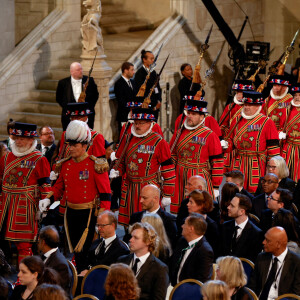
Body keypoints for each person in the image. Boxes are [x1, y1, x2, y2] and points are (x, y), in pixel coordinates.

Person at [46, 120, 111, 272]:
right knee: (75, 251)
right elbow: (59, 188)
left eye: (74, 145)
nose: (70, 148)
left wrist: (103, 217)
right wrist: (47, 200)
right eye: (69, 145)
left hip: (88, 216)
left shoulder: (95, 164)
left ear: (84, 146)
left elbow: (106, 194)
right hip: (70, 214)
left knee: (86, 252)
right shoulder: (66, 164)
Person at [110, 107, 175, 226]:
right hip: (130, 188)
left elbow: (168, 170)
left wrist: (167, 194)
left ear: (150, 123)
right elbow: (122, 160)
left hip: (149, 188)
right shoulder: (128, 138)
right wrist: (118, 171)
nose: (137, 126)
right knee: (130, 224)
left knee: (150, 224)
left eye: (141, 123)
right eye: (136, 123)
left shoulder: (159, 142)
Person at [0, 122, 51, 264]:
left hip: (25, 205)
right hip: (5, 205)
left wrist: (44, 204)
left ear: (31, 140)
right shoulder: (7, 157)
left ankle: (24, 277)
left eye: (22, 138)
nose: (18, 141)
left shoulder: (39, 159)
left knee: (24, 244)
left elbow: (45, 184)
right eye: (16, 138)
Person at [169, 97, 223, 213]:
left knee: (200, 209)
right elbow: (172, 155)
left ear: (202, 116)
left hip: (199, 176)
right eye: (188, 113)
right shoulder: (179, 132)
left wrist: (216, 186)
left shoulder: (210, 135)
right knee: (180, 211)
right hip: (180, 177)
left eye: (193, 114)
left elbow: (217, 162)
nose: (189, 116)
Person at [224, 91, 280, 194]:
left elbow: (274, 150)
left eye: (250, 105)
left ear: (258, 106)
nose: (246, 107)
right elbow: (231, 142)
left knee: (254, 192)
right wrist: (225, 146)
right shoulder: (236, 119)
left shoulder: (267, 122)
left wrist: (273, 170)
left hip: (257, 164)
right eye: (245, 104)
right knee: (234, 191)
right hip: (238, 162)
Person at [118, 222, 169, 300]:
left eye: (136, 238)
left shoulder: (160, 268)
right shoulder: (121, 261)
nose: (130, 240)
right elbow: (110, 292)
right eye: (131, 237)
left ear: (148, 242)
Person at [248, 227, 300, 298]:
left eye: (267, 240)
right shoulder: (261, 257)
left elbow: (295, 295)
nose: (263, 242)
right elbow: (252, 286)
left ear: (278, 244)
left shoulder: (296, 262)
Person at [123, 184, 177, 249]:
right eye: (141, 197)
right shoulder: (135, 216)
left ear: (155, 199)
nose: (141, 201)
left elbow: (170, 246)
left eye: (144, 198)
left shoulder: (169, 220)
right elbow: (127, 239)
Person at [169, 213, 214, 286]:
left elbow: (202, 281)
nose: (182, 226)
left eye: (184, 224)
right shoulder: (182, 241)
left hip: (189, 292)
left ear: (191, 229)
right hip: (173, 286)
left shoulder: (205, 251)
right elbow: (172, 265)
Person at [221, 193, 264, 263]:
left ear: (242, 211)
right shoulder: (225, 226)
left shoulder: (256, 233)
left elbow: (251, 262)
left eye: (232, 206)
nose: (228, 207)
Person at [56, 62, 99, 130]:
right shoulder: (63, 83)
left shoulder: (89, 80)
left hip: (86, 116)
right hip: (68, 117)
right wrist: (69, 109)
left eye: (81, 69)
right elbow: (59, 98)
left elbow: (95, 96)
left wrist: (87, 108)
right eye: (78, 70)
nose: (81, 71)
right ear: (72, 72)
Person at [184, 190, 220, 258]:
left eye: (191, 202)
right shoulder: (185, 221)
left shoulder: (212, 227)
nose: (187, 204)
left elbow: (212, 251)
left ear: (201, 206)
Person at [37, 226, 72, 293]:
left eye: (39, 240)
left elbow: (59, 291)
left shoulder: (61, 265)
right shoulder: (41, 256)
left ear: (43, 242)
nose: (38, 243)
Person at [134, 50, 162, 119]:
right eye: (151, 58)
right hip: (146, 106)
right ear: (144, 59)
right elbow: (140, 91)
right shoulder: (139, 73)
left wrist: (159, 100)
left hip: (155, 104)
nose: (153, 60)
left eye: (153, 58)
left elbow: (157, 87)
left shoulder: (153, 72)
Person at [281, 83, 300, 182]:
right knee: (284, 171)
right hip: (288, 145)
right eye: (295, 95)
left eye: (299, 95)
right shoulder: (288, 109)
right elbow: (282, 125)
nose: (297, 97)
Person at [114, 62, 136, 133]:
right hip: (124, 115)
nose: (134, 72)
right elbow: (120, 100)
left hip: (134, 115)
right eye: (132, 70)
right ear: (126, 71)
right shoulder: (119, 83)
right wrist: (131, 107)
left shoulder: (133, 82)